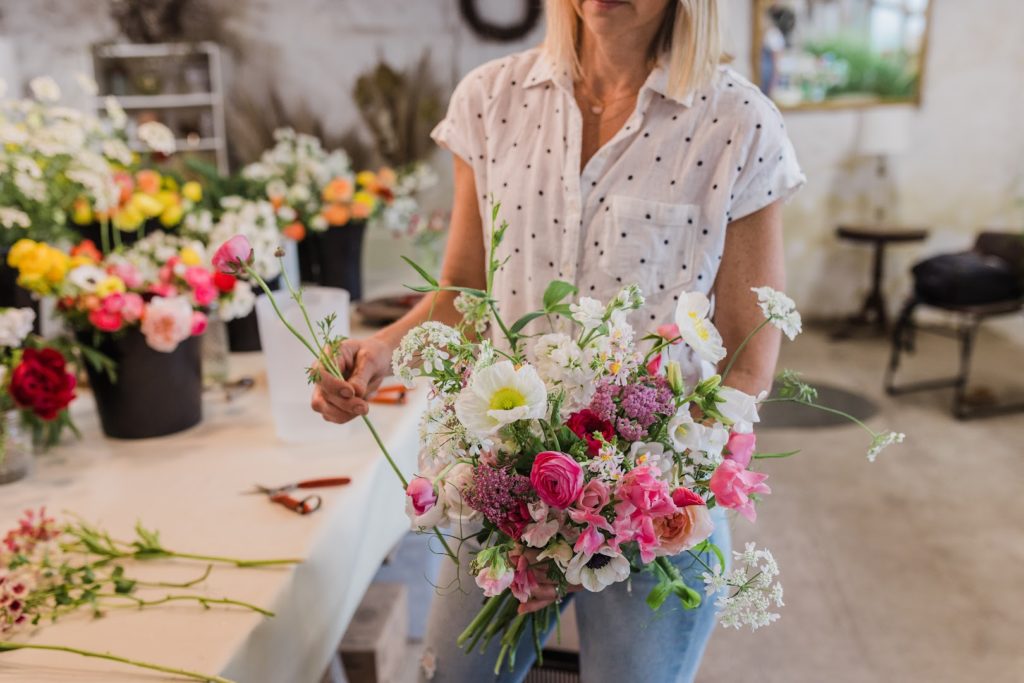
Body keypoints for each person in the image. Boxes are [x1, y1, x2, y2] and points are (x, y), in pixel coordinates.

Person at [312, 1, 804, 680]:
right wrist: (383, 348)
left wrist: (612, 518)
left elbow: (748, 361)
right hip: (506, 488)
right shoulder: (491, 100)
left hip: (659, 505)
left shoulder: (737, 123)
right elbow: (461, 289)